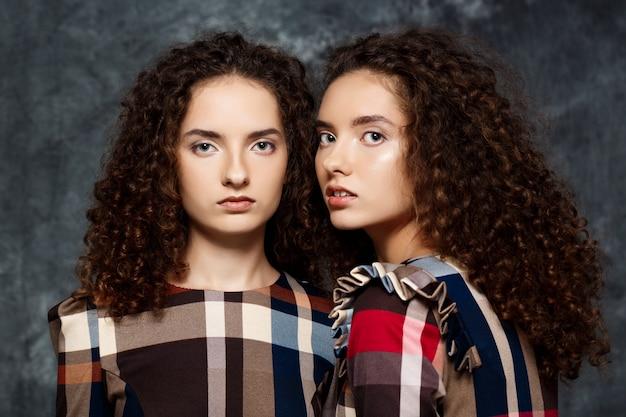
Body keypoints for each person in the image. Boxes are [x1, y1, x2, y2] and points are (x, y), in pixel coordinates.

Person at [312, 29, 609, 417]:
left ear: (439, 150)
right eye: (326, 137)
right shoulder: (506, 294)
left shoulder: (394, 305)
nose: (335, 161)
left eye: (372, 135)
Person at [48, 32, 335, 417]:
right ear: (166, 161)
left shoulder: (334, 326)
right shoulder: (96, 326)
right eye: (205, 146)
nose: (236, 173)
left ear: (292, 159)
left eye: (262, 145)